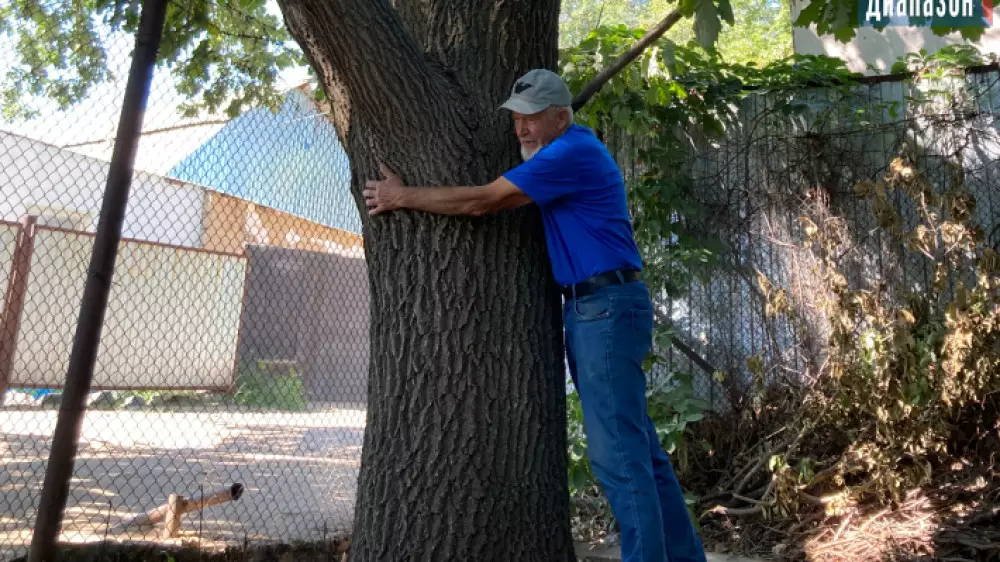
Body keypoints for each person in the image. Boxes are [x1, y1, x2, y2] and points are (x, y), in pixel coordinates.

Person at [363, 68, 707, 562]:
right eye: (516, 119)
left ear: (561, 117)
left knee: (617, 461)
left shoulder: (569, 153)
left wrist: (402, 197)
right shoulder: (568, 152)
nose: (521, 129)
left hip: (603, 311)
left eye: (532, 119)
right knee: (641, 454)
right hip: (605, 307)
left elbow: (483, 201)